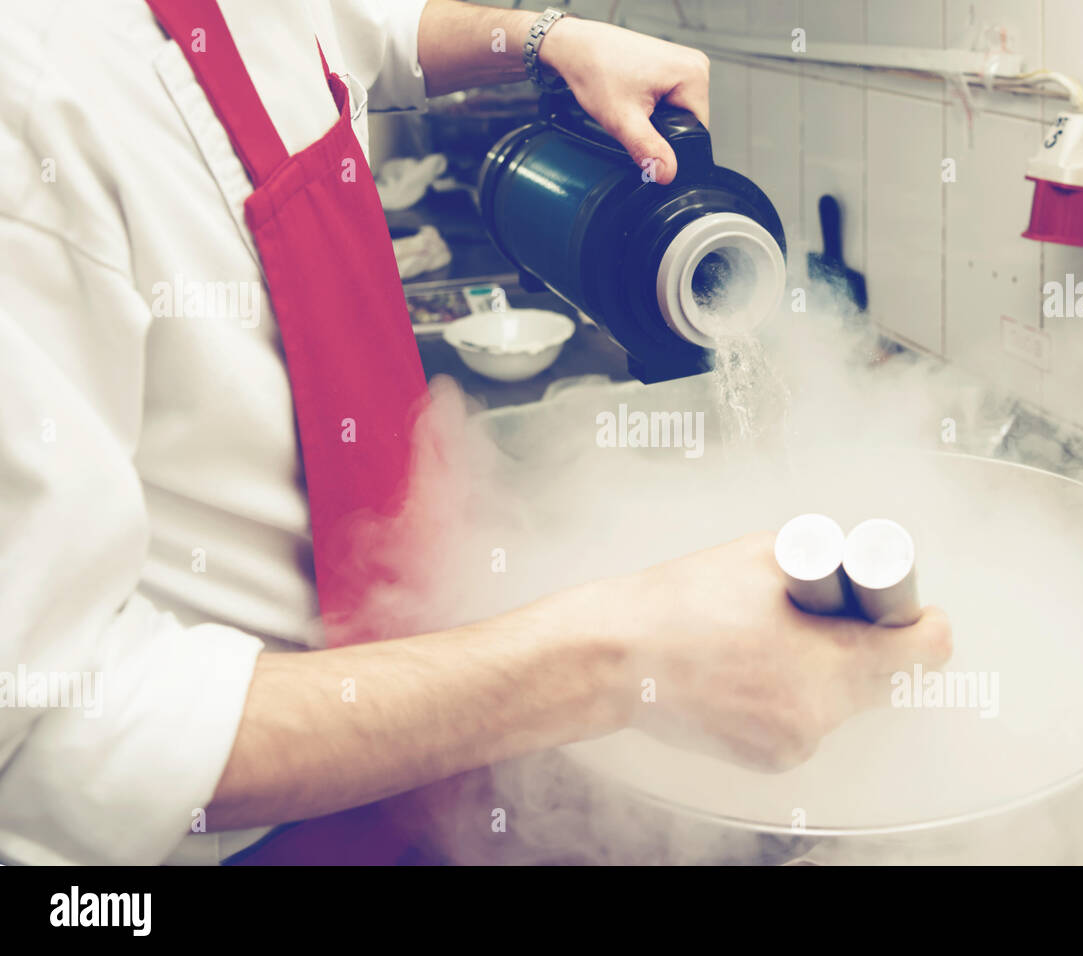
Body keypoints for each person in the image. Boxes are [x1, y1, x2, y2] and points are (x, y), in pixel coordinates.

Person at [0, 0, 951, 865]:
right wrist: (622, 655)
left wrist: (548, 41)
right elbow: (46, 737)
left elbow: (364, 27)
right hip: (232, 839)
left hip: (409, 724)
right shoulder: (34, 86)